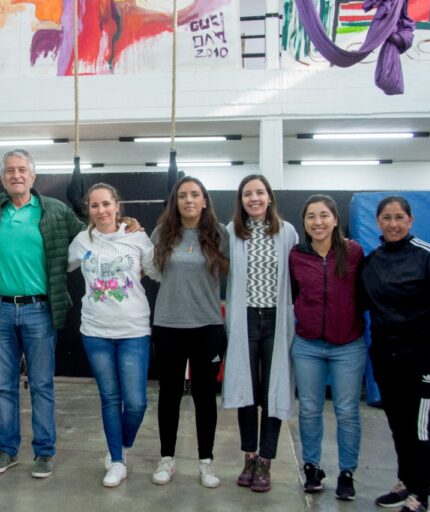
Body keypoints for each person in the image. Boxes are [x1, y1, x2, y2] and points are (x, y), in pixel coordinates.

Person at [0, 148, 84, 479]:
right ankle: (7, 450)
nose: (16, 175)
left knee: (42, 385)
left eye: (22, 169)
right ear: (2, 178)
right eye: (9, 170)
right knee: (4, 386)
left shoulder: (55, 210)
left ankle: (44, 453)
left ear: (33, 176)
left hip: (39, 311)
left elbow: (91, 236)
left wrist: (123, 225)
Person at [360, 196, 430, 512]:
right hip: (387, 359)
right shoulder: (373, 261)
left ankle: (421, 493)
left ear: (410, 220)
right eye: (386, 218)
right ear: (378, 222)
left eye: (399, 217)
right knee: (398, 424)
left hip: (423, 361)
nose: (393, 224)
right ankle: (405, 481)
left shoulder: (429, 256)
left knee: (419, 427)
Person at [67, 183, 157, 488]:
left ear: (117, 205)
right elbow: (61, 264)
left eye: (106, 204)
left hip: (133, 330)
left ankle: (122, 445)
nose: (101, 210)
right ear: (88, 210)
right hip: (95, 332)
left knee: (135, 403)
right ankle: (117, 460)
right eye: (94, 206)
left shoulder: (136, 236)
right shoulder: (82, 241)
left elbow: (157, 271)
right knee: (109, 398)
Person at [149, 176, 229, 489]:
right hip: (168, 325)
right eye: (183, 195)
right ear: (176, 202)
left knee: (204, 396)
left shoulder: (218, 234)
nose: (189, 200)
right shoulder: (163, 233)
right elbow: (151, 268)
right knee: (169, 395)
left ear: (205, 200)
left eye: (195, 195)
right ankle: (166, 458)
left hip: (208, 326)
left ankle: (205, 462)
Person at [222, 174, 298, 493]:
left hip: (277, 320)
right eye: (247, 193)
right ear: (240, 200)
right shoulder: (230, 233)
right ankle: (249, 457)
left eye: (260, 192)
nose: (254, 198)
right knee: (246, 390)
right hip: (245, 319)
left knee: (272, 390)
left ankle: (266, 461)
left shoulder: (288, 232)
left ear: (269, 197)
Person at [289, 194, 366, 500]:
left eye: (323, 215)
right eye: (311, 216)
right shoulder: (297, 256)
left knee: (347, 411)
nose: (317, 222)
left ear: (335, 219)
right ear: (304, 222)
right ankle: (312, 467)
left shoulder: (354, 252)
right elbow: (294, 294)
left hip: (348, 345)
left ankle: (347, 472)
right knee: (309, 410)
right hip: (307, 345)